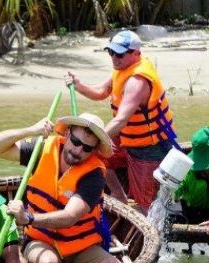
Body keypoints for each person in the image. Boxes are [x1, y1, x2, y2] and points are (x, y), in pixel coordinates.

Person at [0, 112, 124, 263]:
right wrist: (30, 130)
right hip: (41, 240)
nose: (78, 151)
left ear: (94, 150)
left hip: (81, 248)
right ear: (67, 134)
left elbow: (70, 216)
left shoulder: (95, 174)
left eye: (87, 148)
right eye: (75, 141)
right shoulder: (42, 150)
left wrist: (29, 219)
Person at [65, 30, 177, 213]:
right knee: (97, 155)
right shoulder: (121, 69)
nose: (114, 58)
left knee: (145, 204)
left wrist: (92, 140)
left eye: (119, 54)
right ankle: (118, 194)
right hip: (126, 138)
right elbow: (101, 91)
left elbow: (121, 119)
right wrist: (79, 86)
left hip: (149, 146)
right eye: (111, 52)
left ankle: (145, 232)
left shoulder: (137, 81)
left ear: (136, 54)